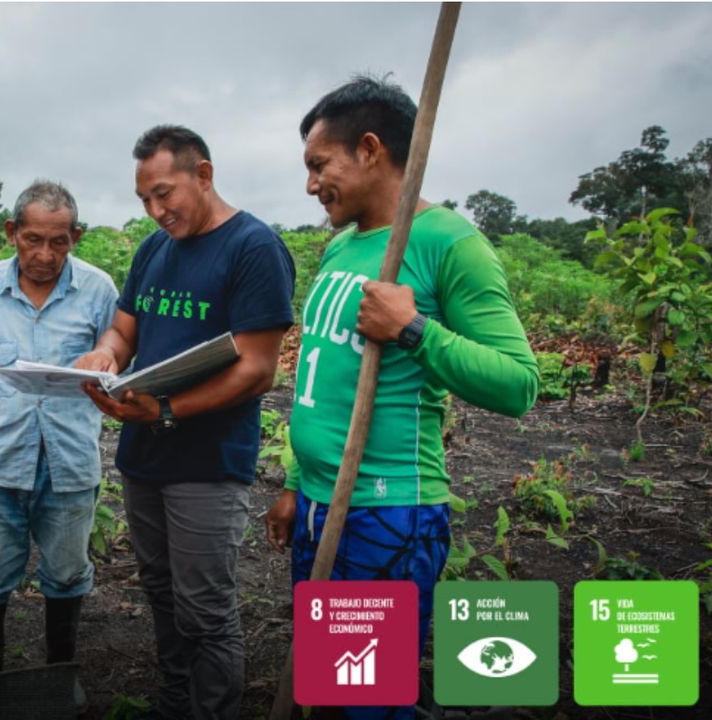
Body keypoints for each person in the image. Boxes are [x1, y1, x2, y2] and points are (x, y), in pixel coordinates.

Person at [265, 75, 540, 719]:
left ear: (370, 149)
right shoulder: (341, 246)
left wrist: (413, 330)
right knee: (327, 690)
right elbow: (323, 383)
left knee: (368, 701)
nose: (310, 185)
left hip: (387, 512)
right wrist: (296, 482)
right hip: (318, 507)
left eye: (319, 165)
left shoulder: (450, 243)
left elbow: (518, 384)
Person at [76, 125, 296, 720]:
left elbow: (258, 369)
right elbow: (125, 328)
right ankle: (176, 703)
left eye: (164, 193)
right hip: (144, 454)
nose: (155, 210)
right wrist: (106, 355)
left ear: (204, 174)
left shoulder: (253, 247)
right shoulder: (154, 249)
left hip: (208, 461)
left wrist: (168, 409)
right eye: (144, 198)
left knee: (204, 607)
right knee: (161, 591)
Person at [0, 180, 118, 717]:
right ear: (12, 233)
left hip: (70, 460)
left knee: (67, 574)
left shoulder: (98, 289)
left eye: (58, 242)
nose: (45, 254)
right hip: (1, 461)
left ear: (76, 237)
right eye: (33, 240)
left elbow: (113, 370)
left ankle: (60, 675)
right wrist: (5, 420)